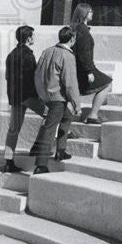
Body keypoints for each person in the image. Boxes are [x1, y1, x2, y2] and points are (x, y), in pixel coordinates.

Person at [30, 26, 80, 174]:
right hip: (58, 98)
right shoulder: (68, 56)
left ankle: (61, 150)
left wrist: (42, 94)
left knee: (67, 118)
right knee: (50, 129)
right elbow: (70, 82)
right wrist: (77, 104)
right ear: (72, 39)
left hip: (46, 95)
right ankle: (41, 164)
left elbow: (37, 74)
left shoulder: (47, 51)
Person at [1, 25, 47, 174]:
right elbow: (34, 79)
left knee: (13, 129)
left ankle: (8, 161)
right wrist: (40, 97)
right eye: (33, 36)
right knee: (51, 116)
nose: (34, 38)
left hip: (14, 97)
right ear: (28, 38)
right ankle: (38, 146)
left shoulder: (11, 55)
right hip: (28, 96)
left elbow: (8, 77)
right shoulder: (29, 55)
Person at [70, 3, 113, 125]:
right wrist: (89, 71)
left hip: (77, 67)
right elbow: (84, 53)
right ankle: (93, 115)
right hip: (84, 68)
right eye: (90, 11)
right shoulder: (82, 30)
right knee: (107, 83)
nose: (92, 13)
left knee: (73, 93)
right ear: (84, 14)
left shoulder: (76, 28)